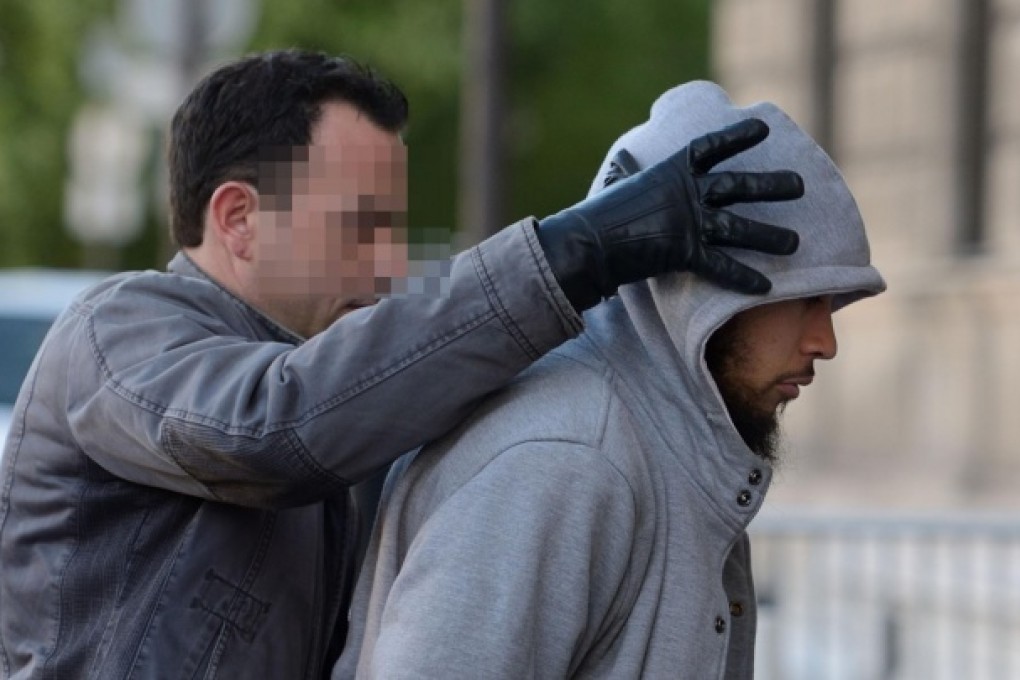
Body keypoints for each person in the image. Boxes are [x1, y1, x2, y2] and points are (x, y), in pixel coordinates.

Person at [0, 50, 804, 678]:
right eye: (362, 226)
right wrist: (578, 251)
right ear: (238, 219)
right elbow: (272, 428)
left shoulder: (347, 397)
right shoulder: (114, 330)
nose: (389, 267)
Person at [335, 80, 887, 679]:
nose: (824, 343)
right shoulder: (566, 459)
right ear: (702, 291)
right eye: (805, 300)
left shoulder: (659, 445)